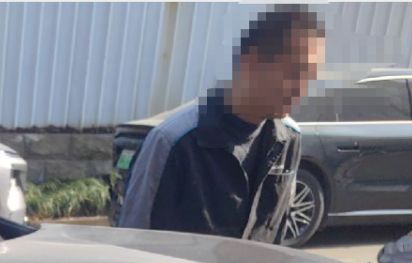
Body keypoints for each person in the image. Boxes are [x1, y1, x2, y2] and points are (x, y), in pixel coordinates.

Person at [118, 6, 325, 242]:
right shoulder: (174, 142)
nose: (302, 89)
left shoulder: (288, 140)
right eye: (296, 72)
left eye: (309, 77)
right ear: (252, 62)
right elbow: (133, 241)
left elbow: (276, 232)